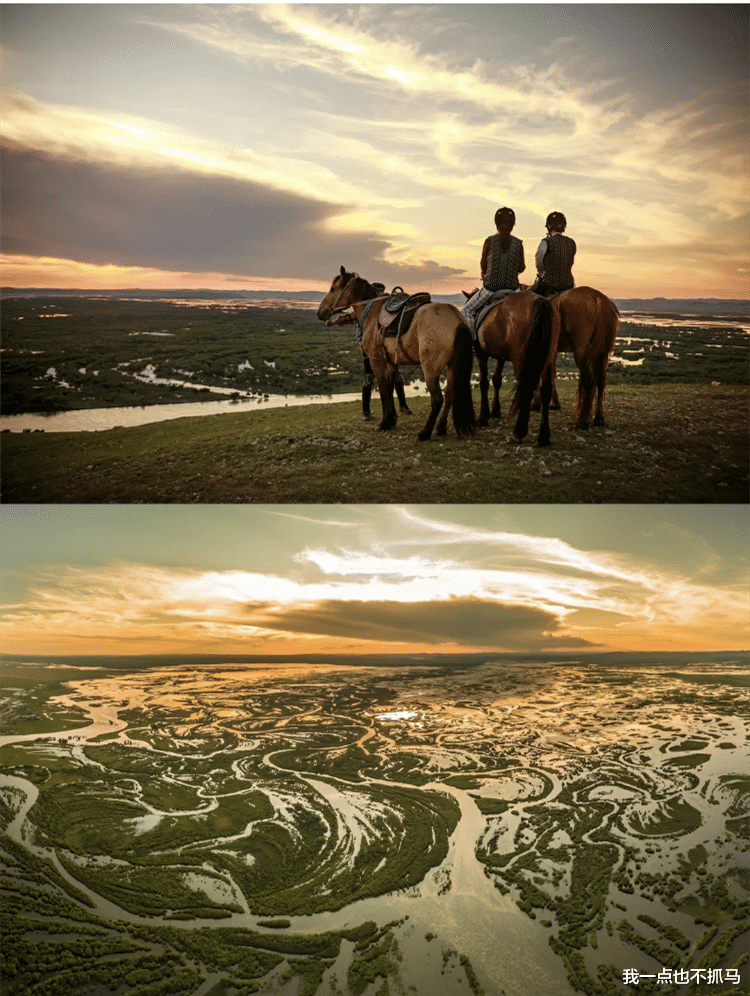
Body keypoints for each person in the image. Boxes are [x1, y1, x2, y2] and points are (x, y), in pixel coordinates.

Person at [462, 207, 525, 336]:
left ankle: (474, 341)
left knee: (467, 311)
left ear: (497, 223)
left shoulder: (489, 241)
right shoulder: (518, 244)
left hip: (491, 289)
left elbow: (483, 266)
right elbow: (521, 268)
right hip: (513, 289)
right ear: (513, 224)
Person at [529, 212, 576, 297]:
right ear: (563, 226)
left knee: (528, 296)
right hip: (568, 284)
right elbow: (569, 262)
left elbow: (539, 263)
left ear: (549, 226)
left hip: (549, 284)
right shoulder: (571, 243)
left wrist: (542, 274)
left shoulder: (546, 242)